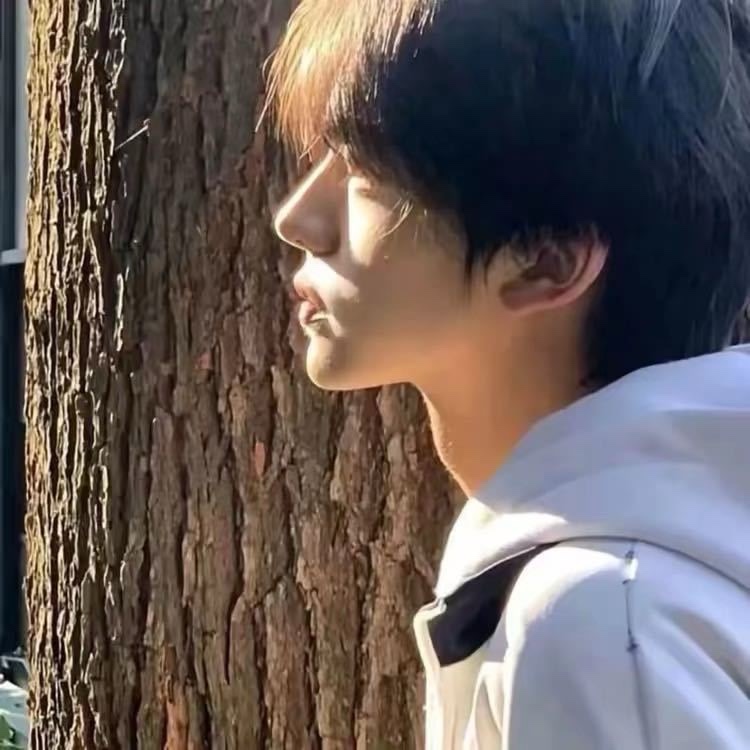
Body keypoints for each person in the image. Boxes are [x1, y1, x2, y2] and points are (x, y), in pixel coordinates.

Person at [264, 1, 750, 747]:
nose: (298, 219)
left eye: (363, 172)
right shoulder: (647, 580)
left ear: (546, 261)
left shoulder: (596, 624)